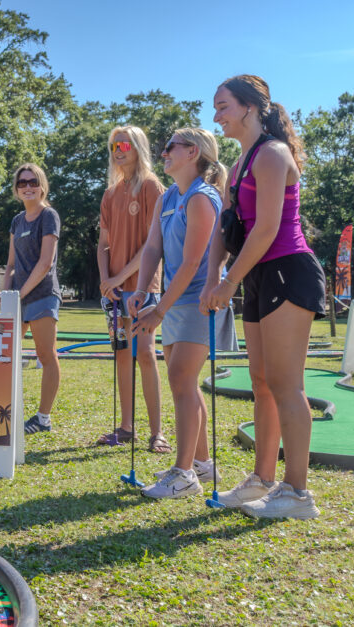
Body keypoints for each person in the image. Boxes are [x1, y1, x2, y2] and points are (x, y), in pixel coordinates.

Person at [202, 75, 325, 519]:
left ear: (250, 108)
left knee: (286, 384)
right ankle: (263, 479)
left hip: (287, 271)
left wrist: (230, 281)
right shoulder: (237, 165)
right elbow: (227, 229)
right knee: (261, 382)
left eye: (223, 106)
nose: (216, 116)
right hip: (255, 273)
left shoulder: (272, 154)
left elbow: (268, 228)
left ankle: (297, 493)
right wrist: (214, 274)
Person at [128, 128, 238, 499]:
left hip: (198, 301)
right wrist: (142, 291)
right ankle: (202, 463)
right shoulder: (168, 197)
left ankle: (184, 472)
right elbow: (151, 249)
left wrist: (159, 309)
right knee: (185, 383)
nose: (163, 153)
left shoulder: (202, 198)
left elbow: (194, 261)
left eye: (169, 147)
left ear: (192, 152)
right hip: (174, 302)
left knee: (179, 379)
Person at [95, 126, 168, 453]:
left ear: (138, 147)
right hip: (113, 292)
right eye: (113, 145)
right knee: (122, 355)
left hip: (142, 287)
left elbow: (154, 245)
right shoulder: (110, 193)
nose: (118, 150)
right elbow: (103, 246)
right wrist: (105, 280)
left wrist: (120, 277)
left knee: (146, 355)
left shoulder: (152, 186)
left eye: (124, 144)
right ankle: (126, 428)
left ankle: (157, 434)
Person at [1, 164, 62, 434]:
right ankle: (3, 411)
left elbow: (46, 262)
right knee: (6, 356)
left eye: (33, 181)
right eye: (22, 183)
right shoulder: (16, 221)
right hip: (17, 297)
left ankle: (43, 418)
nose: (27, 187)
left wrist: (19, 294)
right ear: (16, 189)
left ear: (42, 185)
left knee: (45, 354)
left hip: (42, 294)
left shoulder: (48, 216)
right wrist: (6, 293)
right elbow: (11, 264)